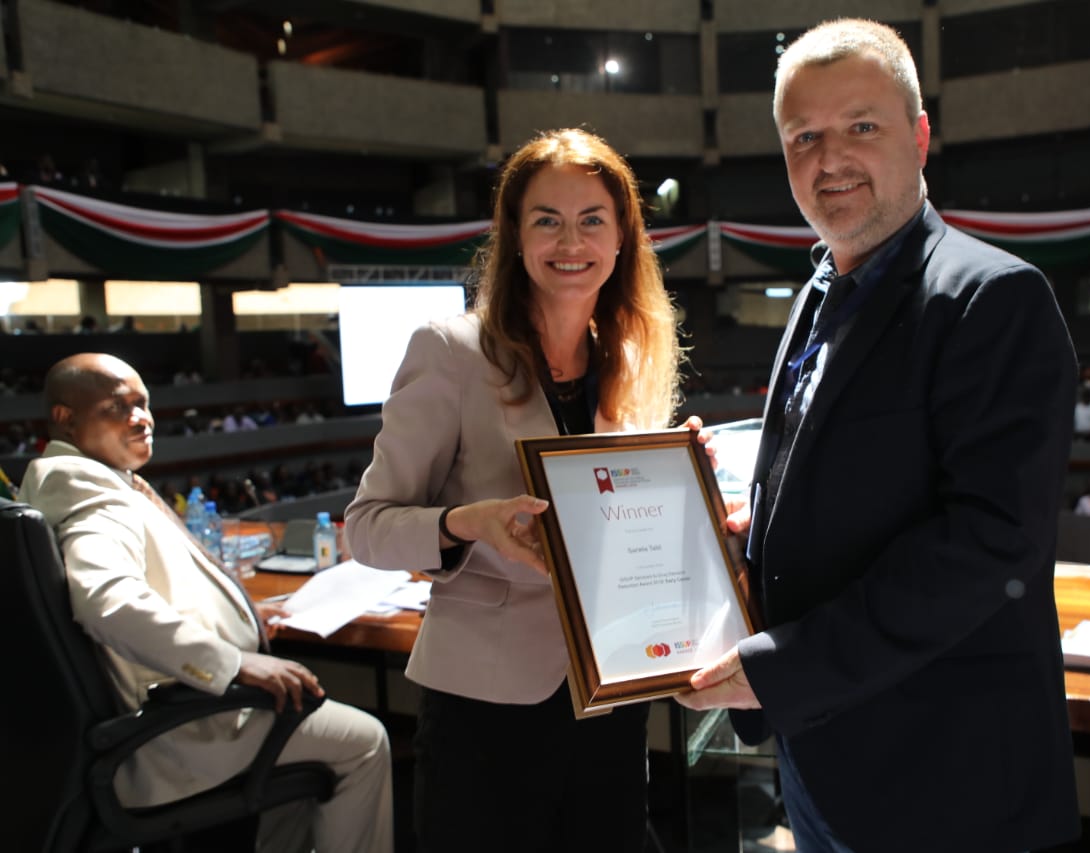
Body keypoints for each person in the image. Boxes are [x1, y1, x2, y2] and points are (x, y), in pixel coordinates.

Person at [674, 19, 1080, 852]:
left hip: (948, 786)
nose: (830, 160)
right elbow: (845, 493)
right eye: (804, 137)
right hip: (823, 762)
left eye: (861, 126)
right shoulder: (817, 295)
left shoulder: (993, 297)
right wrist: (750, 536)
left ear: (920, 136)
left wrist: (782, 670)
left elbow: (988, 545)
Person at [344, 128, 690, 853]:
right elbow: (367, 526)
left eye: (592, 219)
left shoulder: (630, 358)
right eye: (547, 220)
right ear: (516, 236)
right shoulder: (450, 351)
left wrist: (685, 486)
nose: (572, 241)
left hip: (610, 690)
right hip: (486, 705)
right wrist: (468, 522)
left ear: (622, 236)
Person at [17, 353, 393, 853]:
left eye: (144, 404)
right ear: (65, 418)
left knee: (305, 770)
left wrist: (245, 615)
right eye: (119, 407)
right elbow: (107, 600)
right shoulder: (88, 491)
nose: (142, 418)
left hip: (179, 711)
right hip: (180, 730)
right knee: (364, 741)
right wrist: (233, 662)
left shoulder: (95, 480)